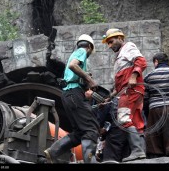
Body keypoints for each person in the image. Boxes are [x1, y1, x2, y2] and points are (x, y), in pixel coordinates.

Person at [44, 34, 99, 163]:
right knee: (90, 128)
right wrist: (89, 79)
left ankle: (52, 152)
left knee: (80, 132)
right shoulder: (82, 51)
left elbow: (72, 72)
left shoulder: (74, 54)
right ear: (90, 46)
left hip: (68, 95)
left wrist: (84, 78)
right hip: (74, 93)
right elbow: (73, 65)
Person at [101, 28, 147, 162]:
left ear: (120, 38)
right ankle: (141, 153)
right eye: (108, 43)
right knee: (137, 122)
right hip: (130, 91)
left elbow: (141, 61)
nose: (110, 46)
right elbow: (120, 84)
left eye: (111, 41)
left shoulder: (128, 47)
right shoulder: (120, 55)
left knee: (123, 119)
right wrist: (110, 97)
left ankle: (137, 151)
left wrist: (134, 76)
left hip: (130, 91)